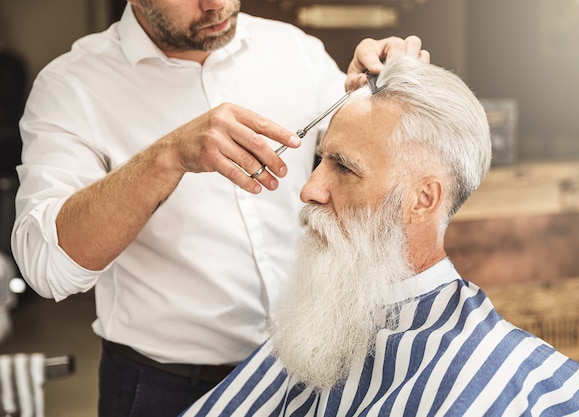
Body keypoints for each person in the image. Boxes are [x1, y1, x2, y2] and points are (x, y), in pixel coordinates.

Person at [11, 0, 429, 415]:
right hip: (165, 390)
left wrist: (378, 86)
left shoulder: (294, 49)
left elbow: (360, 144)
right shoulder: (71, 86)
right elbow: (47, 267)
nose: (215, 4)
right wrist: (168, 156)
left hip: (305, 371)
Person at [180, 55, 579, 416]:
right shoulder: (313, 327)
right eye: (320, 161)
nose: (311, 189)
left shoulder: (539, 395)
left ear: (423, 200)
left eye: (344, 168)